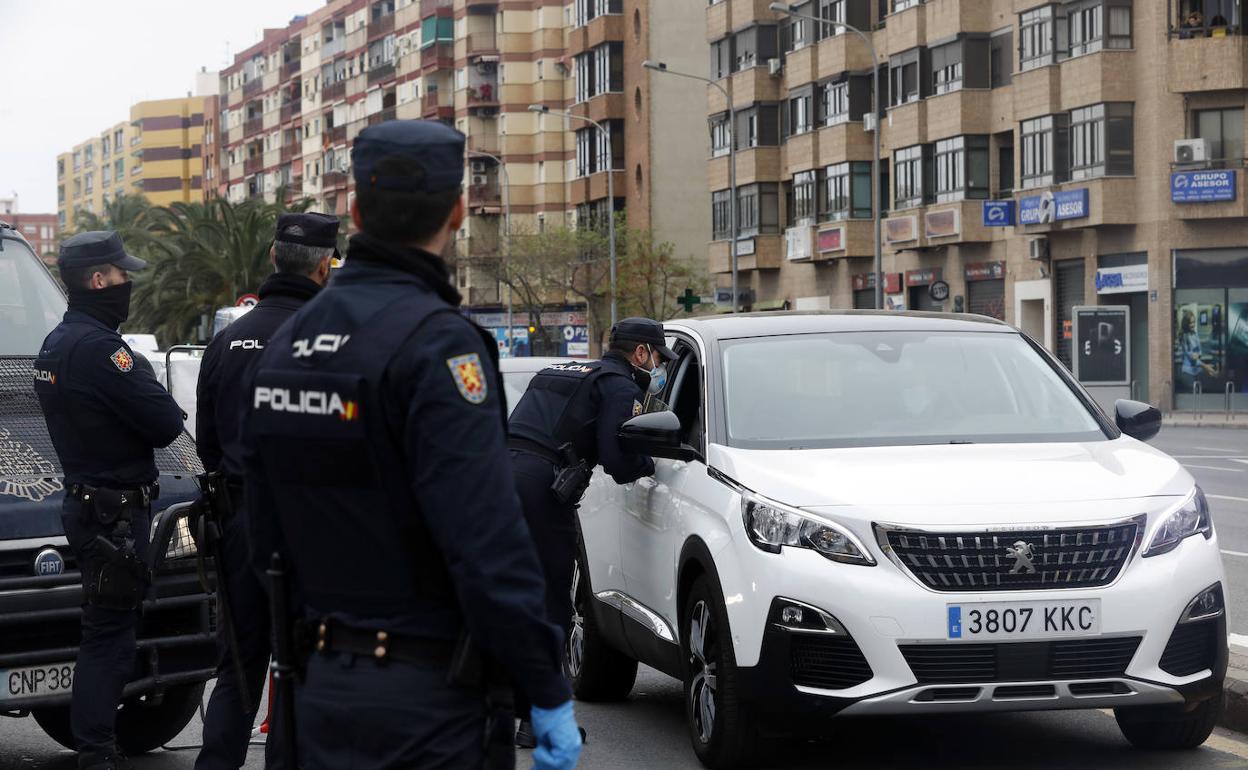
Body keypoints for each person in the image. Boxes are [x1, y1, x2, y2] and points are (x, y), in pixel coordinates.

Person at [240, 120, 582, 770]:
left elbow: (266, 536)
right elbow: (487, 545)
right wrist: (546, 685)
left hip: (317, 691)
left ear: (356, 212)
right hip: (427, 703)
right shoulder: (439, 345)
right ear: (456, 210)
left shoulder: (287, 343)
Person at [33, 231, 185, 770]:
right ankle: (96, 753)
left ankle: (96, 746)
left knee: (103, 628)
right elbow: (167, 424)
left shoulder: (55, 343)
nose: (129, 282)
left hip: (89, 503)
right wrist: (141, 373)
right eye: (122, 274)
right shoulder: (103, 350)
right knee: (111, 638)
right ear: (98, 280)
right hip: (115, 512)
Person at [193, 212, 339, 770]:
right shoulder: (332, 341)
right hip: (309, 526)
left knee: (238, 666)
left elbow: (207, 444)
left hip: (238, 521)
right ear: (325, 267)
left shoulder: (226, 342)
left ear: (274, 259)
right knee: (303, 668)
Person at [506, 317, 676, 746]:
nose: (657, 367)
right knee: (551, 605)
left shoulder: (557, 372)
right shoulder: (621, 388)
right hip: (540, 491)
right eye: (657, 358)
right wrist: (650, 464)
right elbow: (617, 460)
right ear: (641, 354)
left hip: (493, 478)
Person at [1177, 309, 1217, 394]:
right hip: (1188, 372)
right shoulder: (1184, 337)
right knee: (1192, 396)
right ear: (1186, 324)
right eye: (1191, 323)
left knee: (1199, 395)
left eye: (1194, 322)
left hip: (1197, 370)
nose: (1193, 325)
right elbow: (1191, 357)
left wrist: (1198, 356)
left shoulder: (1194, 334)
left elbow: (1199, 352)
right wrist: (1206, 367)